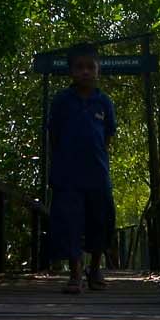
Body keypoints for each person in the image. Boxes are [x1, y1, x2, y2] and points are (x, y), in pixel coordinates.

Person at [46, 41, 118, 294]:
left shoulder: (104, 102)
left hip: (97, 174)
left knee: (101, 221)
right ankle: (75, 273)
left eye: (90, 67)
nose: (85, 72)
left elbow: (108, 135)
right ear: (71, 71)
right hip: (68, 175)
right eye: (79, 67)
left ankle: (95, 269)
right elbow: (53, 135)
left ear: (98, 70)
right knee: (70, 222)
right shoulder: (61, 101)